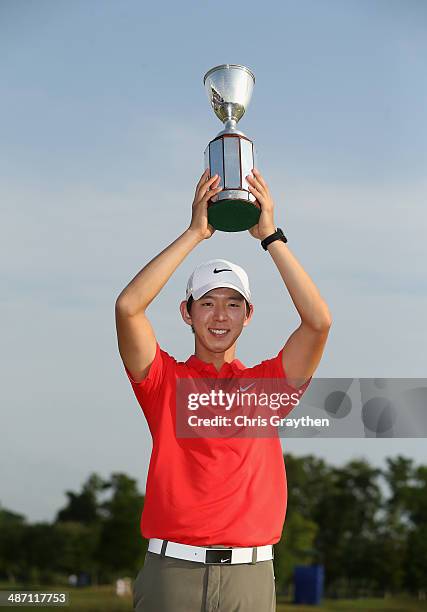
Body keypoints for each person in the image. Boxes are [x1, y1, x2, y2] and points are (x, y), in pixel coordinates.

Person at [115, 168, 332, 612]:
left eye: (233, 303)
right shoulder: (164, 381)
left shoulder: (269, 386)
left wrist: (270, 237)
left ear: (248, 315)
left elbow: (318, 322)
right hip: (170, 574)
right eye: (207, 303)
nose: (219, 315)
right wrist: (196, 232)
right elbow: (128, 307)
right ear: (187, 312)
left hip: (249, 579)